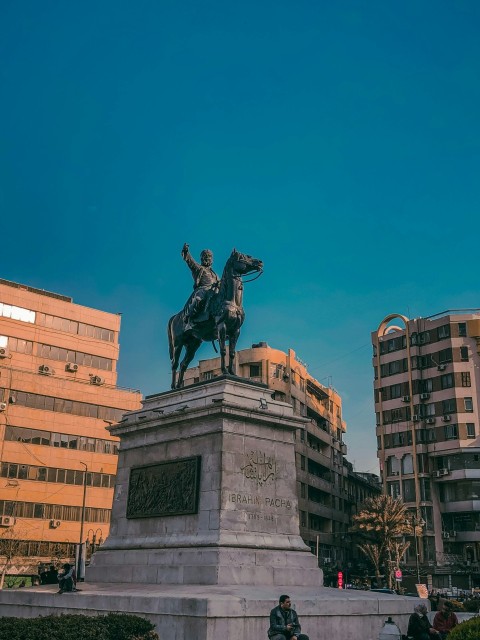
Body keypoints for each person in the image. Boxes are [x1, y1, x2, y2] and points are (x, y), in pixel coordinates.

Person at [181, 243, 219, 330]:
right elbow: (190, 261)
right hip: (203, 289)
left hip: (214, 291)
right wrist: (186, 252)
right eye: (205, 256)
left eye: (209, 256)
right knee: (198, 298)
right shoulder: (198, 268)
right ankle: (189, 319)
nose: (207, 258)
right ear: (202, 258)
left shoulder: (214, 273)